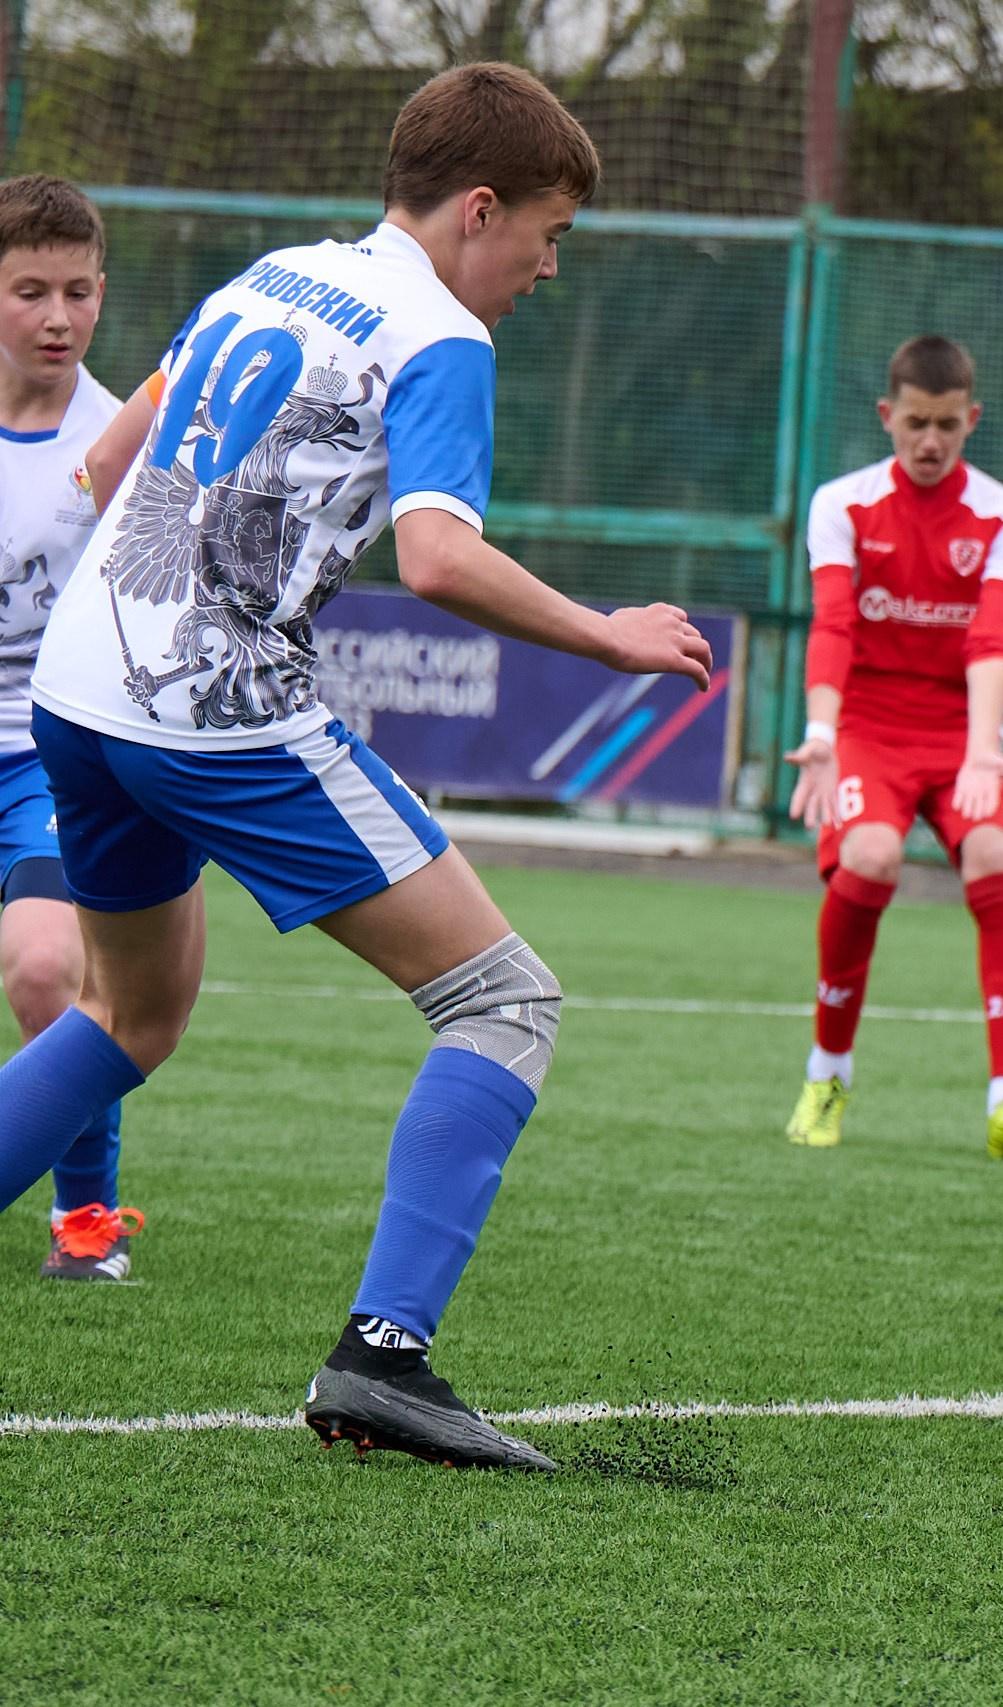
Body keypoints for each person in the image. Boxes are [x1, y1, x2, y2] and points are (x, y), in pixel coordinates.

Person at [0, 63, 712, 1470]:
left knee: (127, 1016)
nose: (548, 270)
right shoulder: (440, 333)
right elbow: (436, 557)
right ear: (480, 207)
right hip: (214, 710)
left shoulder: (281, 271)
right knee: (504, 998)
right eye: (548, 236)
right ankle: (384, 1355)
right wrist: (610, 636)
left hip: (77, 686)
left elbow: (131, 428)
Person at [781, 335, 1003, 1160]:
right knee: (868, 860)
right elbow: (832, 623)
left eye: (945, 425)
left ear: (972, 419)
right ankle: (827, 1074)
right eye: (914, 423)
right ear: (886, 417)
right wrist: (822, 736)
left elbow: (992, 639)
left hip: (957, 734)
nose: (929, 441)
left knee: (996, 861)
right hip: (865, 726)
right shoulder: (843, 504)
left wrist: (980, 752)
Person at [0, 175, 147, 1280]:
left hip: (45, 754)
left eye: (79, 291)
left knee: (50, 971)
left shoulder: (122, 442)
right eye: (30, 292)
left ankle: (87, 1223)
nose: (58, 317)